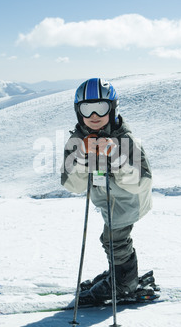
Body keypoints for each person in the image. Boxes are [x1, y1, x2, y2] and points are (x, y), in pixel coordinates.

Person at [61, 78, 153, 303]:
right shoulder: (77, 142)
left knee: (115, 240)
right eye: (87, 108)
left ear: (112, 109)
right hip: (106, 202)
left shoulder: (125, 140)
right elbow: (73, 185)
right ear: (78, 111)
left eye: (101, 108)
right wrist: (82, 158)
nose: (94, 115)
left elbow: (141, 182)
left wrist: (116, 158)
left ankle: (124, 284)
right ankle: (119, 274)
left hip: (128, 201)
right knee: (111, 239)